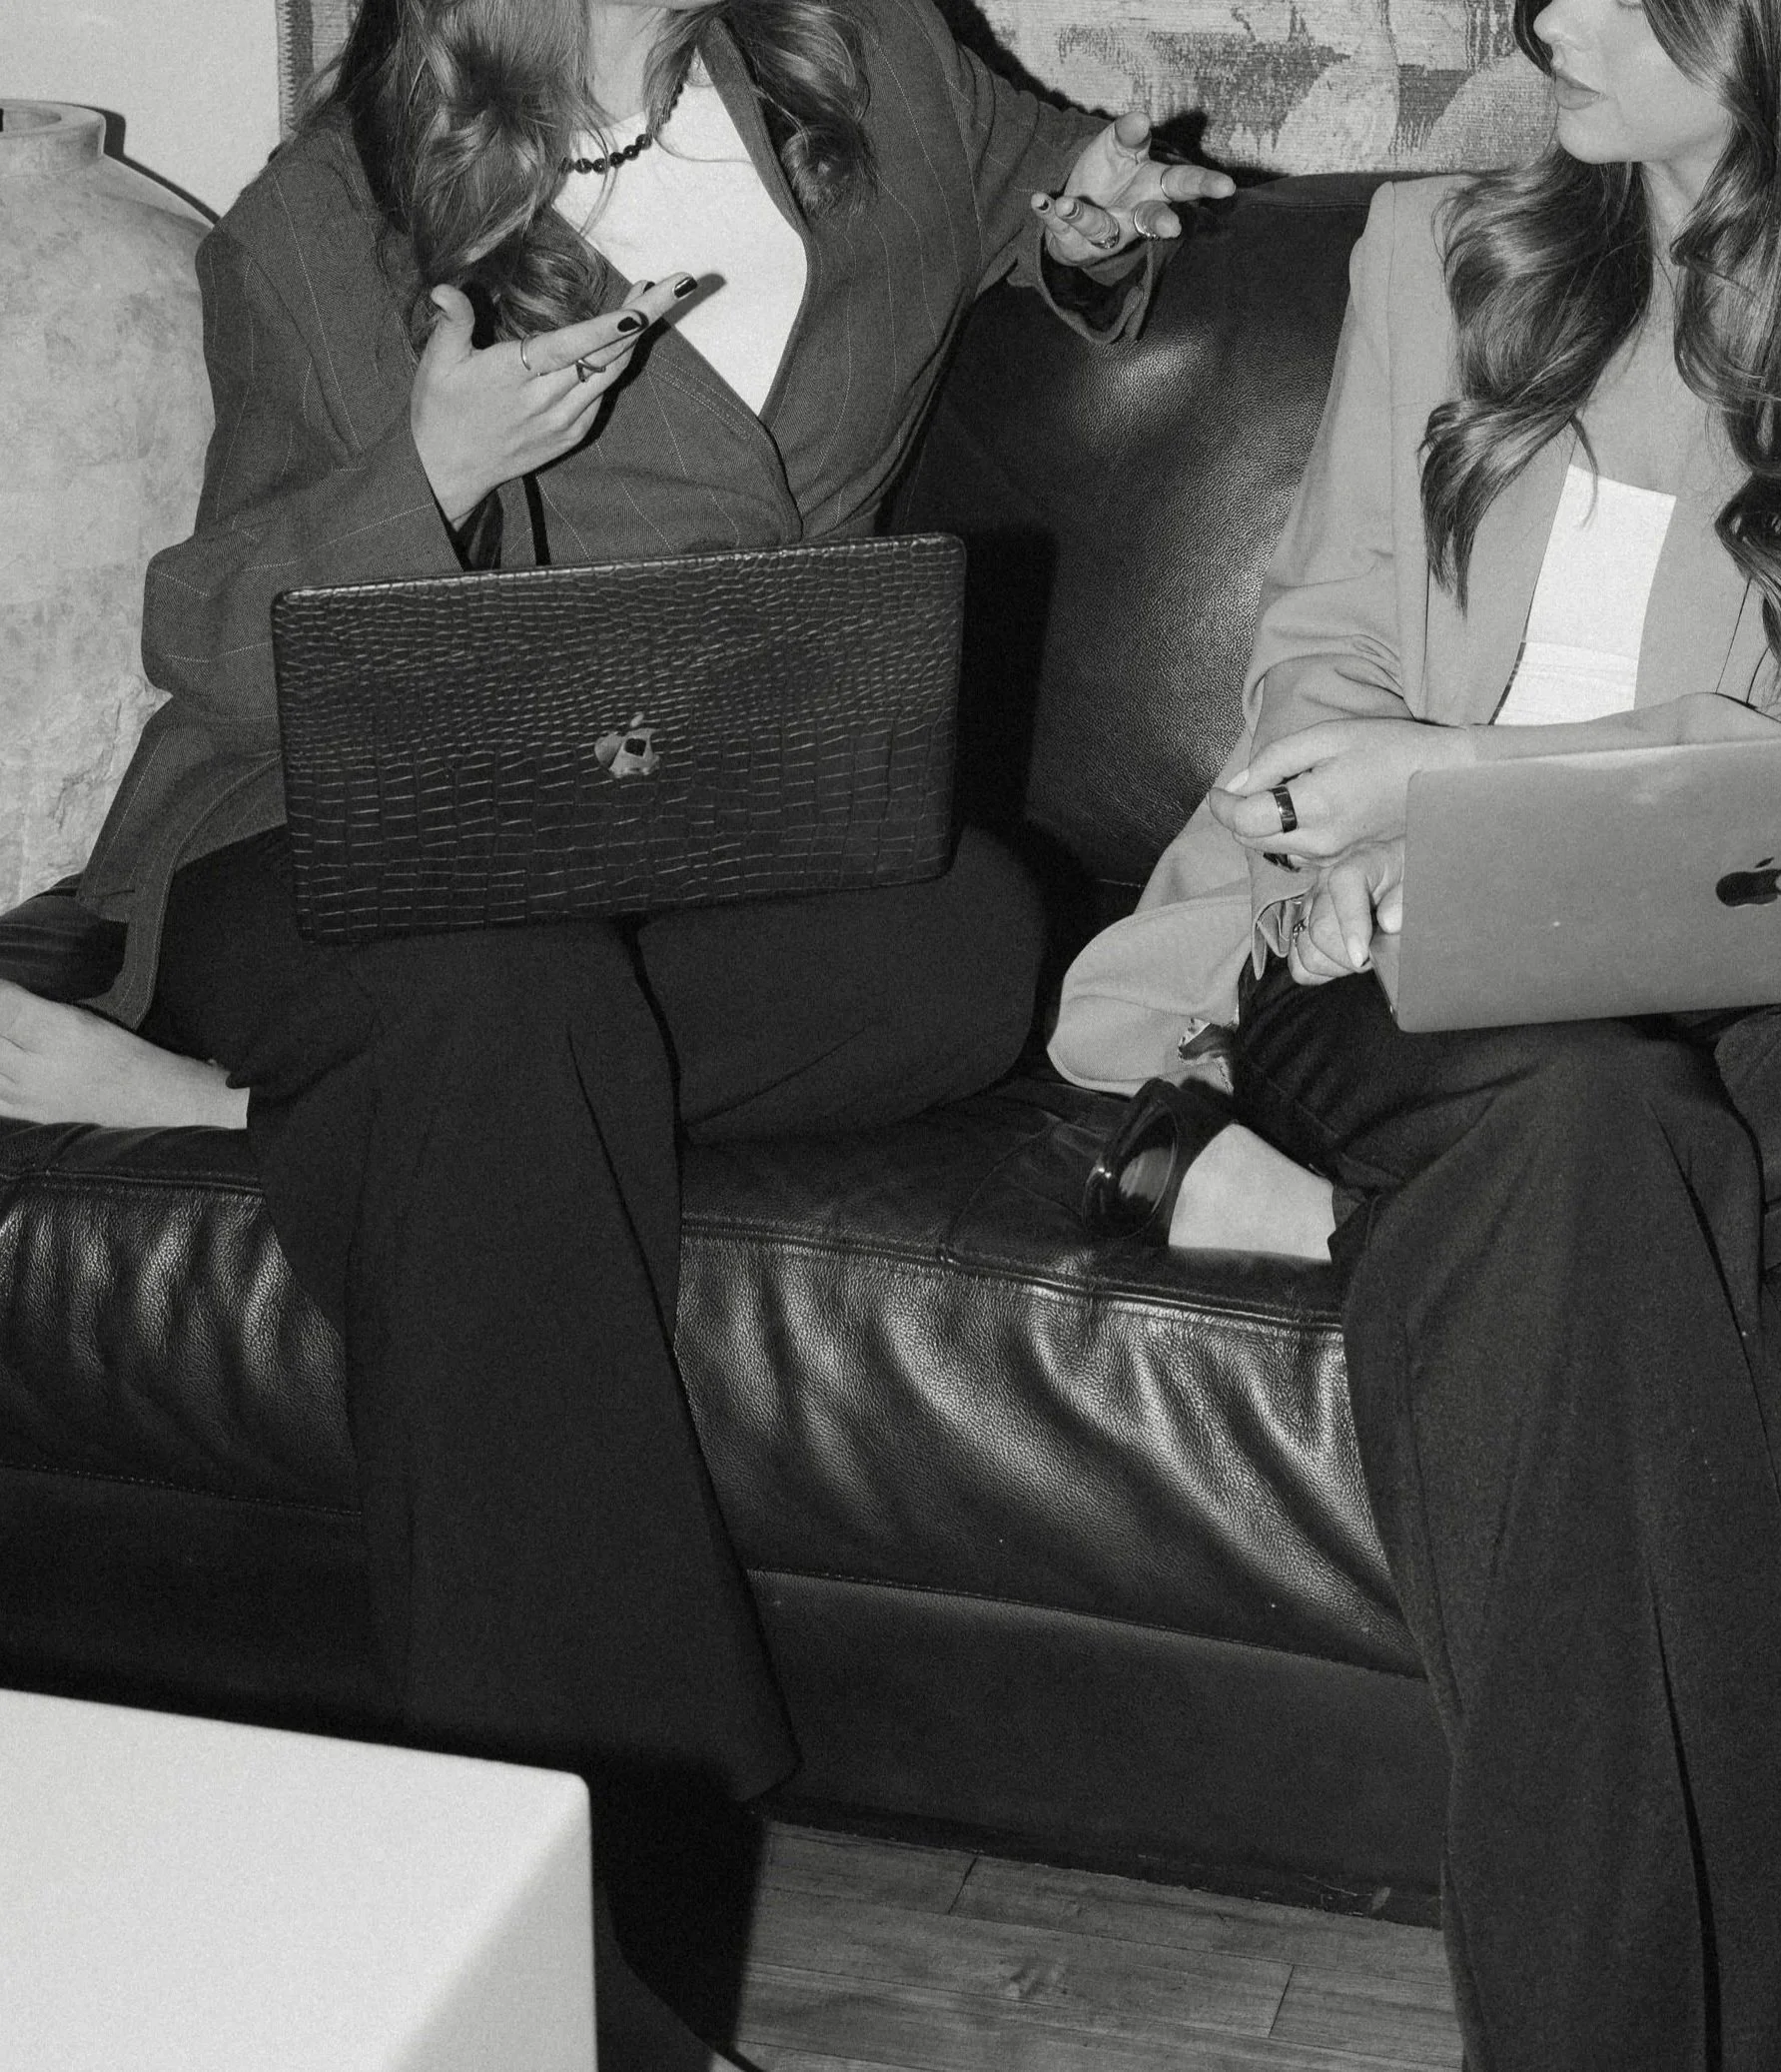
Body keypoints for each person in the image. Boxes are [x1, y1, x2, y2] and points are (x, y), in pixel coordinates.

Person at [0, 1, 1228, 2064]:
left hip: (721, 799)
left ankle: (235, 1103)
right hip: (341, 834)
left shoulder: (870, 65)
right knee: (500, 992)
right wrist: (424, 473)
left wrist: (1090, 221)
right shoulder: (330, 213)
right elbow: (201, 635)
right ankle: (602, 1983)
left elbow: (1030, 184)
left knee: (955, 942)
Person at [1052, 0, 1781, 2065]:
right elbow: (1320, 615)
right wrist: (1352, 779)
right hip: (1393, 972)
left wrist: (1473, 781)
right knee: (1574, 1123)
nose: (1547, 13)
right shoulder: (1448, 241)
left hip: (1724, 989)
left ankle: (1315, 1211)